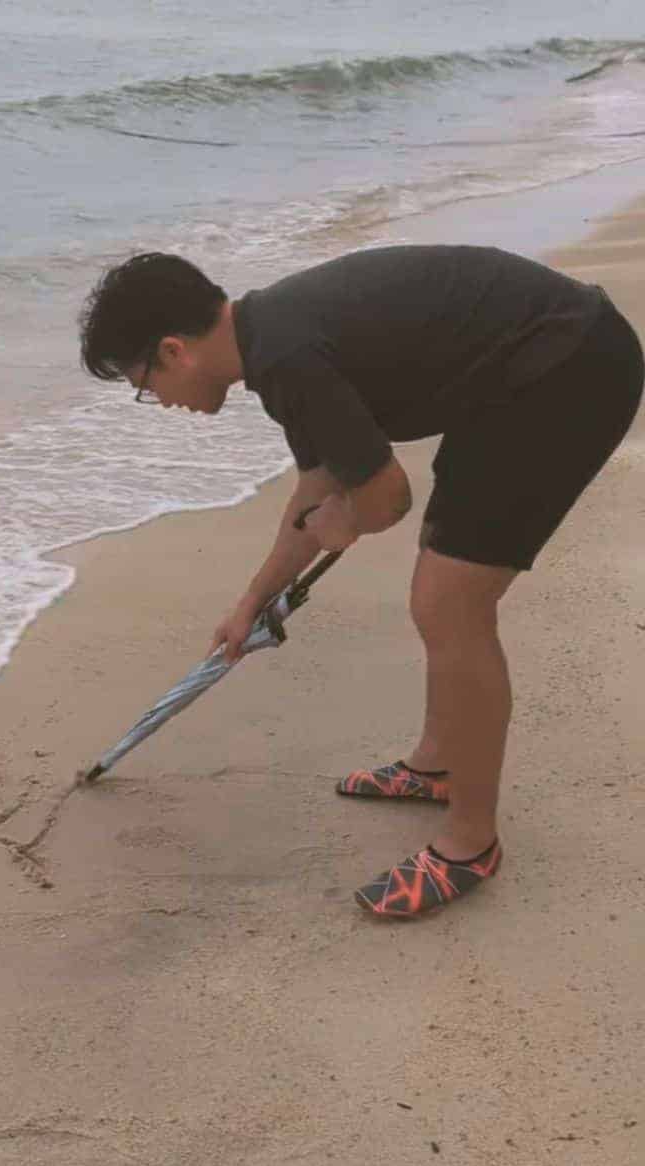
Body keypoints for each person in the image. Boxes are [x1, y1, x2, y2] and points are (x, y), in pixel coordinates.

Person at [78, 244, 643, 917]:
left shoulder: (286, 355)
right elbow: (319, 487)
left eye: (143, 384)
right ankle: (436, 765)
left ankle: (471, 843)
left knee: (449, 604)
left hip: (566, 368)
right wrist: (250, 604)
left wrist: (349, 517)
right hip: (510, 377)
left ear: (173, 351)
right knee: (443, 577)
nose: (156, 400)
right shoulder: (271, 339)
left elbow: (382, 500)